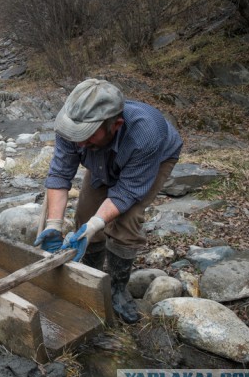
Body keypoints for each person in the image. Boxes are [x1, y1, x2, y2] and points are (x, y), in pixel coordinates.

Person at [34, 79, 183, 324]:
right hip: (101, 155)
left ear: (116, 124)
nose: (78, 143)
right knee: (85, 214)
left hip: (149, 159)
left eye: (86, 136)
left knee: (127, 218)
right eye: (76, 136)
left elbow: (125, 193)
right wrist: (53, 224)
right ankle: (91, 272)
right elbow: (60, 175)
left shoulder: (147, 133)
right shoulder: (71, 124)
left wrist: (96, 225)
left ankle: (116, 287)